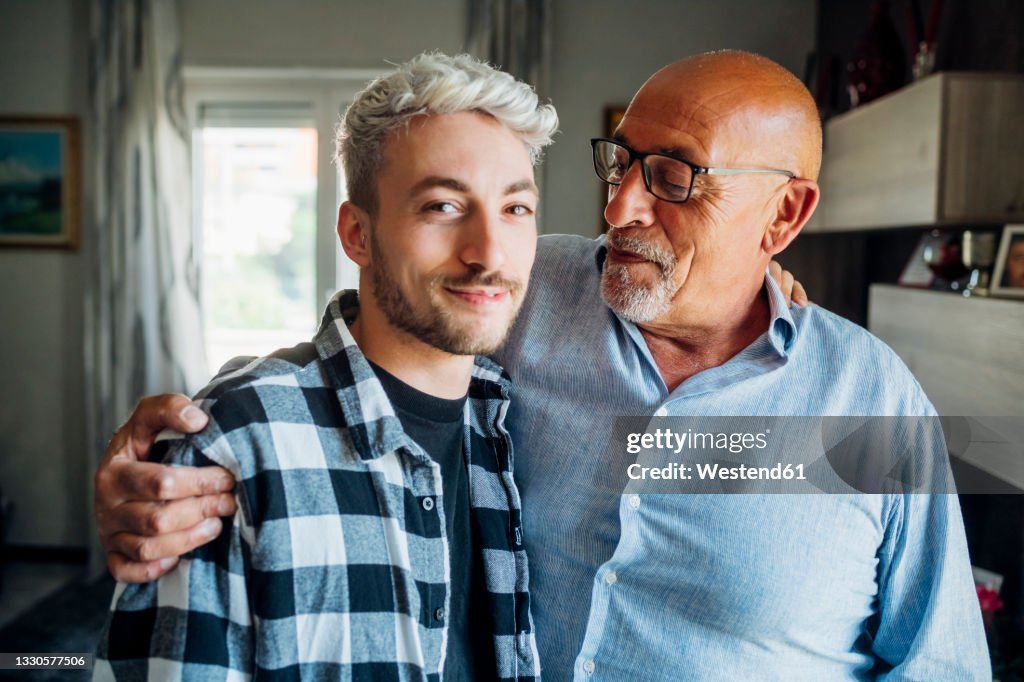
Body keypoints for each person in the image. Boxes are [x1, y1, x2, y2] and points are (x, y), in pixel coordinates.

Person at [95, 50, 988, 679]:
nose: (624, 205)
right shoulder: (528, 288)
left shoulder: (870, 400)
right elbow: (369, 351)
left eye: (676, 176)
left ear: (784, 217)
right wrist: (197, 439)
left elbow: (937, 663)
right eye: (621, 162)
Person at [94, 52, 557, 680]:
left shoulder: (509, 417)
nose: (488, 252)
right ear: (357, 235)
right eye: (442, 207)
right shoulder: (234, 441)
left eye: (515, 209)